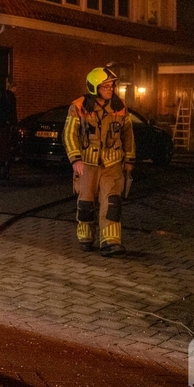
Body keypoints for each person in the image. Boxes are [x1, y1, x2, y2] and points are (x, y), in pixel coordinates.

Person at [63, 67, 135, 256]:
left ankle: (110, 241)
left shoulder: (120, 107)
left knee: (112, 202)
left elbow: (128, 135)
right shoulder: (79, 107)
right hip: (87, 163)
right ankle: (85, 236)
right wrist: (75, 159)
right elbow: (70, 134)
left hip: (112, 164)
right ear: (94, 87)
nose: (110, 89)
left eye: (111, 85)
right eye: (105, 86)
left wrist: (129, 159)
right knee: (86, 202)